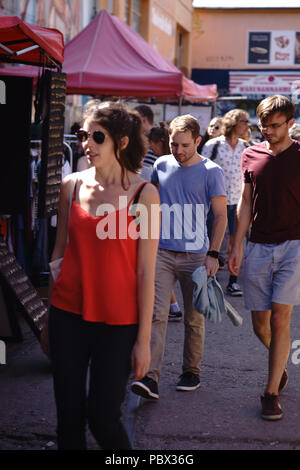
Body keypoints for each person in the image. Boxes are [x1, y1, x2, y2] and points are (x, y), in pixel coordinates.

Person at [40, 100, 160, 449]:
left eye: (97, 136)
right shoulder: (71, 186)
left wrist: (143, 341)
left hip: (118, 323)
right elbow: (58, 255)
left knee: (103, 416)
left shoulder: (145, 194)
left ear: (121, 141)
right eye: (83, 135)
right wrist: (48, 317)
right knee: (69, 418)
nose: (86, 144)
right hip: (67, 315)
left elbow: (146, 272)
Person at [131, 114, 227, 399]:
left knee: (194, 319)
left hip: (197, 256)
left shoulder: (212, 171)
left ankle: (191, 371)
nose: (179, 150)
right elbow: (150, 205)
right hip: (160, 251)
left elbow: (221, 217)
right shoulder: (160, 165)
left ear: (198, 140)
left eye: (185, 145)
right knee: (155, 315)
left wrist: (214, 255)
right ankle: (150, 377)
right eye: (174, 144)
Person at [228, 95, 300, 421]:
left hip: (294, 247)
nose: (268, 131)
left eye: (275, 125)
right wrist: (236, 244)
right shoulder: (250, 154)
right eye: (264, 125)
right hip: (258, 246)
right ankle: (279, 364)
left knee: (280, 319)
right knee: (260, 324)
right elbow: (245, 202)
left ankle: (271, 393)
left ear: (290, 123)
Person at [202, 109, 250, 297]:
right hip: (216, 201)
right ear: (233, 122)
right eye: (243, 121)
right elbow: (202, 171)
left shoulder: (247, 147)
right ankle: (207, 279)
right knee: (213, 240)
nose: (247, 124)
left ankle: (233, 281)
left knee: (237, 242)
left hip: (238, 202)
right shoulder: (213, 145)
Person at [148, 124, 183, 322]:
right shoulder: (160, 164)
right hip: (162, 222)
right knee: (158, 269)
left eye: (152, 143)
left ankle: (171, 306)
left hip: (168, 225)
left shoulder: (165, 163)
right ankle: (172, 306)